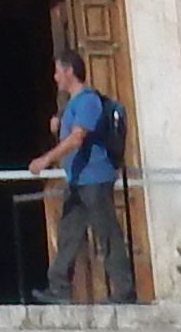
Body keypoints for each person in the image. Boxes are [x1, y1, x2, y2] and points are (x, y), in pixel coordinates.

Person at [26, 47, 125, 303]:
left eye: (58, 71)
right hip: (78, 180)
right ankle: (58, 287)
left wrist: (47, 158)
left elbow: (77, 138)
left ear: (69, 71)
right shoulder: (73, 104)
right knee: (68, 233)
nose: (55, 77)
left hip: (94, 178)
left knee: (106, 233)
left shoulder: (89, 100)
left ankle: (124, 290)